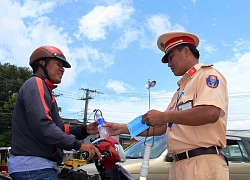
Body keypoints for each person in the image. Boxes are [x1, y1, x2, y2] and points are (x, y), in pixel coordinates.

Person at [105, 32, 229, 180]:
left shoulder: (207, 76)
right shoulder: (179, 92)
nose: (169, 64)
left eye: (171, 58)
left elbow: (210, 112)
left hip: (202, 163)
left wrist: (164, 115)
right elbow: (161, 126)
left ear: (186, 51)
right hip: (179, 165)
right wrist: (124, 128)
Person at [8, 46, 102, 180]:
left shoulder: (45, 88)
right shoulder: (36, 83)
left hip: (43, 166)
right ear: (42, 63)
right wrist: (79, 146)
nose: (62, 69)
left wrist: (85, 130)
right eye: (58, 64)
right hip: (34, 168)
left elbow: (58, 129)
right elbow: (43, 126)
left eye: (63, 66)